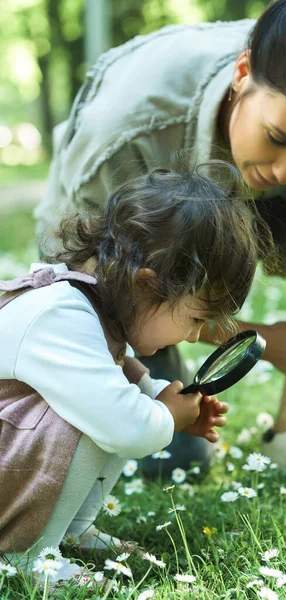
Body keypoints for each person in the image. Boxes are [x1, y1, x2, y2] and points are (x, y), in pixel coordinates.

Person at [35, 0, 286, 486]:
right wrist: (263, 342)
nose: (285, 171)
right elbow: (100, 282)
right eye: (277, 138)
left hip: (242, 209)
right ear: (243, 73)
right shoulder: (126, 135)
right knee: (171, 459)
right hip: (122, 265)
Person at [0, 161, 264, 559]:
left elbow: (120, 380)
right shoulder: (60, 316)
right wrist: (165, 416)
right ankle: (26, 554)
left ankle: (72, 532)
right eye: (195, 319)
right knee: (109, 415)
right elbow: (127, 426)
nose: (194, 336)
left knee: (115, 405)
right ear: (145, 283)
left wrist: (165, 399)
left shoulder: (91, 305)